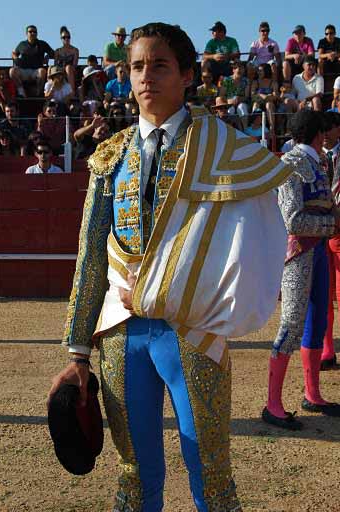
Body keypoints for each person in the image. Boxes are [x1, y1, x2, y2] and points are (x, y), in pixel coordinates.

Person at [48, 21, 291, 512]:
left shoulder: (222, 149)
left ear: (185, 75)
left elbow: (249, 236)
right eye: (136, 66)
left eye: (159, 65)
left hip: (193, 329)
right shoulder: (109, 157)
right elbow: (92, 254)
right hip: (123, 333)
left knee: (213, 475)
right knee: (134, 471)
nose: (145, 77)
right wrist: (77, 352)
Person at [262, 110, 340, 432]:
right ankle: (273, 405)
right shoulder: (291, 165)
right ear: (318, 134)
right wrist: (332, 223)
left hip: (318, 251)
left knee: (318, 318)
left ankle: (312, 394)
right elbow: (292, 220)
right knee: (291, 323)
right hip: (299, 253)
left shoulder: (317, 163)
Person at [321, 112, 340, 370]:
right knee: (324, 292)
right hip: (317, 230)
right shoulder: (312, 157)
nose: (324, 133)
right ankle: (327, 348)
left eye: (329, 128)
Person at [10, 25, 54, 97]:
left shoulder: (42, 44)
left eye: (35, 32)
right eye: (30, 32)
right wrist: (15, 57)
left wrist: (48, 56)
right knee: (12, 71)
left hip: (36, 71)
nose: (33, 33)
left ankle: (39, 93)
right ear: (26, 33)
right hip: (23, 71)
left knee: (42, 71)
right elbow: (14, 53)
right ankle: (21, 92)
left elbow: (53, 53)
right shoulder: (22, 44)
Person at [219, 62, 250, 127]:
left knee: (242, 107)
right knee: (230, 109)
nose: (239, 70)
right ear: (233, 70)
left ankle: (245, 129)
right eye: (236, 68)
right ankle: (228, 129)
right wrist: (228, 101)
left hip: (241, 102)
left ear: (244, 70)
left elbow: (247, 97)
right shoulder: (227, 80)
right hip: (229, 103)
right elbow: (221, 95)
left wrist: (239, 99)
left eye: (241, 68)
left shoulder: (246, 81)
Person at [251, 63, 278, 133]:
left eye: (260, 71)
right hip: (258, 102)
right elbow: (252, 95)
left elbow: (275, 96)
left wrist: (268, 97)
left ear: (266, 71)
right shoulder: (255, 82)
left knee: (268, 104)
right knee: (255, 105)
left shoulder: (273, 82)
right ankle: (255, 126)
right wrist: (263, 96)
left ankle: (272, 128)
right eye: (258, 71)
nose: (258, 72)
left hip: (271, 103)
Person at [54, 26, 79, 93]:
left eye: (68, 37)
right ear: (61, 39)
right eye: (64, 37)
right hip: (60, 71)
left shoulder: (75, 50)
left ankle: (72, 92)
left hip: (71, 71)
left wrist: (67, 69)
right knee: (52, 69)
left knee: (68, 68)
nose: (66, 39)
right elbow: (55, 64)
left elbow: (74, 65)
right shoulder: (57, 51)